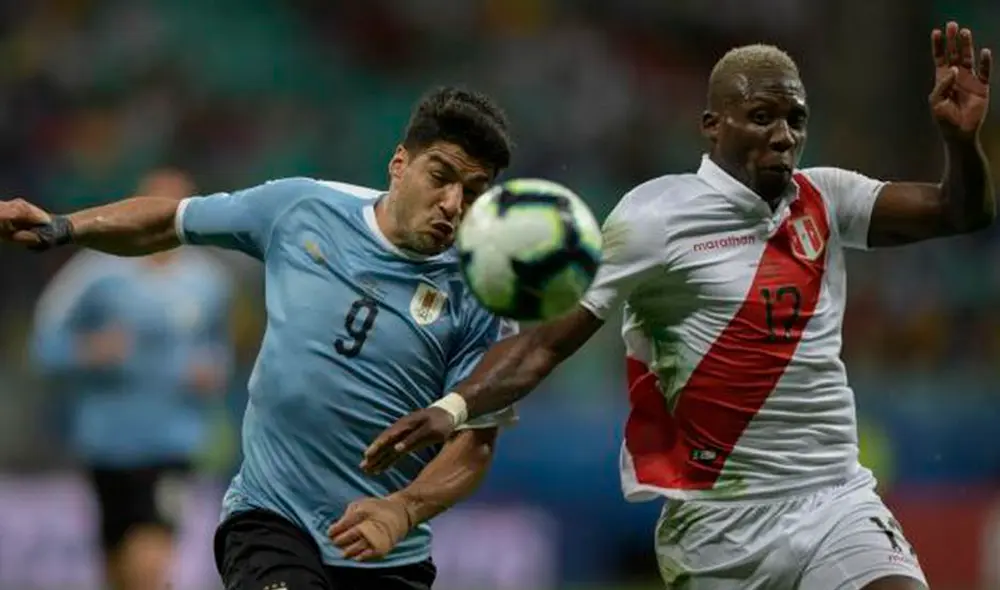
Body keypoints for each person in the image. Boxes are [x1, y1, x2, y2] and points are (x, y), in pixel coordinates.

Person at [362, 23, 994, 590]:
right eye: (761, 115)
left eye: (795, 119)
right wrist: (456, 407)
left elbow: (959, 211)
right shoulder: (654, 217)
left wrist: (960, 143)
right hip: (716, 529)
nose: (783, 136)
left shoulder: (827, 198)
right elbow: (546, 343)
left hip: (834, 501)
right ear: (713, 125)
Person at [1, 86, 516, 590]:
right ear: (400, 163)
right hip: (271, 519)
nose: (453, 203)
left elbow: (475, 444)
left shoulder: (485, 293)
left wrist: (404, 510)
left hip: (387, 550)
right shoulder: (302, 209)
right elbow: (172, 220)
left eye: (472, 192)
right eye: (441, 177)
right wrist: (64, 225)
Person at [31, 168, 234, 590]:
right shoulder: (94, 273)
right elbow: (44, 346)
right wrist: (87, 351)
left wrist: (212, 369)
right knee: (118, 565)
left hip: (173, 443)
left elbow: (219, 349)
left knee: (150, 560)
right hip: (108, 442)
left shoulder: (208, 281)